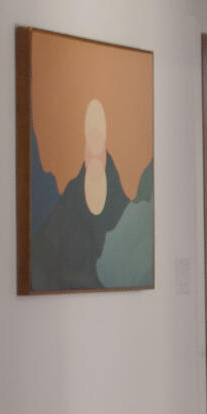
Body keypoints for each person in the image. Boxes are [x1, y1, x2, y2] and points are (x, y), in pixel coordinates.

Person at [31, 97, 129, 290]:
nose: (94, 141)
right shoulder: (67, 192)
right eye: (90, 134)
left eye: (98, 134)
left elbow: (112, 219)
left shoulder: (112, 181)